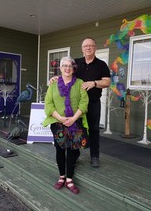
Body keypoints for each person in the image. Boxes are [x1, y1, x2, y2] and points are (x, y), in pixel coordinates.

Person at [50, 37, 111, 168]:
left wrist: (94, 83)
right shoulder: (76, 63)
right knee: (76, 129)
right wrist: (56, 78)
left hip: (93, 103)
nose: (88, 48)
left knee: (94, 130)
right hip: (76, 105)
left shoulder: (101, 65)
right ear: (82, 49)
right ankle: (75, 156)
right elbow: (67, 72)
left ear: (95, 48)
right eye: (85, 46)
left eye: (91, 45)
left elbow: (107, 82)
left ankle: (94, 156)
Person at [43, 56, 89, 194]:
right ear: (60, 68)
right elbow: (48, 104)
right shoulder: (53, 84)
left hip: (75, 122)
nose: (67, 68)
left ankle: (69, 179)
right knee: (60, 149)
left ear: (73, 68)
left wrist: (73, 118)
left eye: (70, 66)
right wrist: (61, 119)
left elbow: (84, 103)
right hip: (58, 122)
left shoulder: (80, 83)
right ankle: (61, 176)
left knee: (73, 150)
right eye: (65, 66)